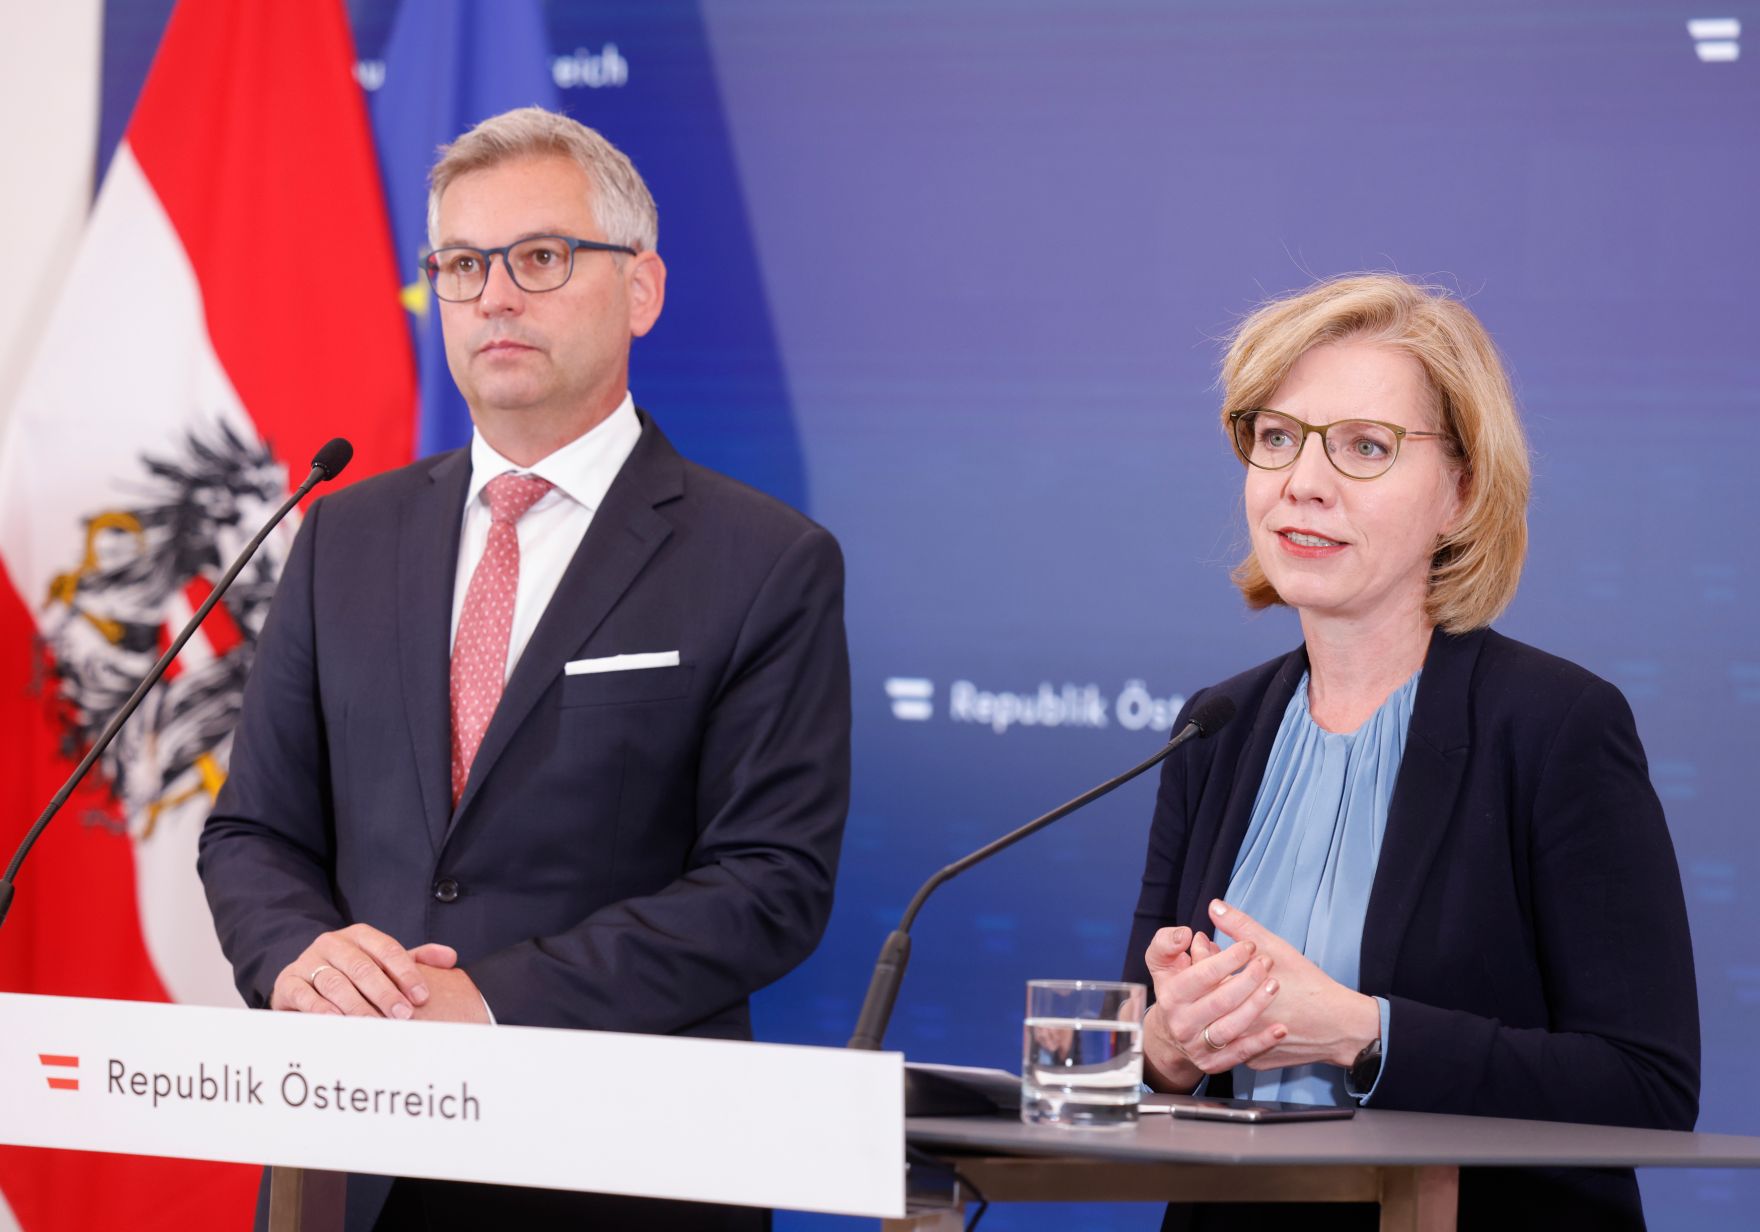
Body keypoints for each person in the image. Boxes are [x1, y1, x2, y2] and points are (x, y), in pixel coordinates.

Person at [198, 107, 850, 1230]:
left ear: (639, 288)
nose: (494, 294)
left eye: (539, 257)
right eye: (461, 263)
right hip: (347, 1161)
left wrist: (489, 999)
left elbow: (767, 882)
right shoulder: (341, 533)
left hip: (619, 1170)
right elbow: (252, 832)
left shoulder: (764, 559)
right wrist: (301, 956)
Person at [1123, 274, 1698, 1231]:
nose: (1304, 481)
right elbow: (1141, 1054)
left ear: (1462, 493)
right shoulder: (1215, 728)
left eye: (1364, 447)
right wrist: (1170, 1042)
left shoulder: (1556, 727)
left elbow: (1645, 1084)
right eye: (1277, 438)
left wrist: (1363, 1033)